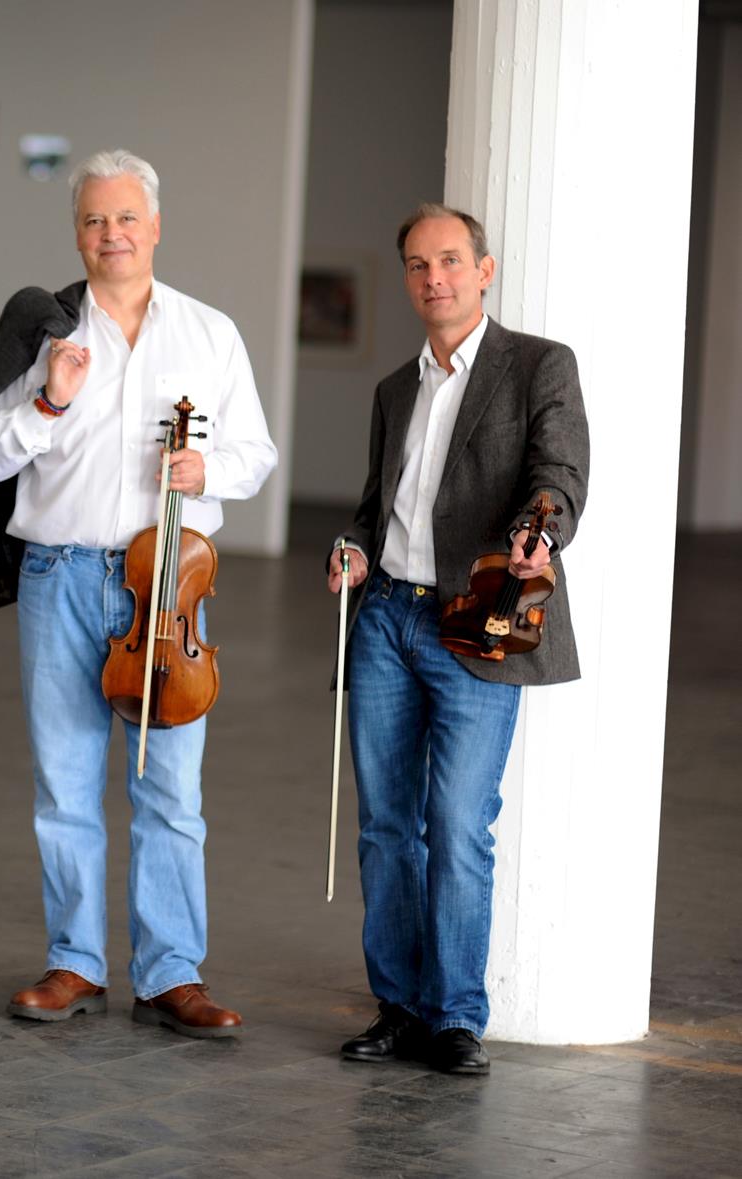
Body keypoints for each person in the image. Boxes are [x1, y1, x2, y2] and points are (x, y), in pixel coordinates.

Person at [0, 149, 276, 1037]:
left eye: (127, 218)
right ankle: (74, 962)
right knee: (65, 783)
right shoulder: (46, 334)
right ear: (78, 232)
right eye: (95, 220)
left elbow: (257, 455)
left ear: (156, 226)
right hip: (60, 577)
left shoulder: (210, 334)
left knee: (171, 789)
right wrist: (47, 404)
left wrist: (208, 463)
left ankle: (172, 972)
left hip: (167, 587)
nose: (112, 234)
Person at [328, 203, 589, 1076]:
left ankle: (453, 1017)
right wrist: (353, 550)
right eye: (416, 264)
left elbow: (557, 474)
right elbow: (377, 508)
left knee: (458, 820)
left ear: (484, 269)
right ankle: (398, 1005)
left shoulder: (538, 366)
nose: (432, 277)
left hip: (477, 620)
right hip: (388, 619)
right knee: (386, 825)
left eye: (448, 260)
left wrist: (537, 533)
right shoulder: (394, 389)